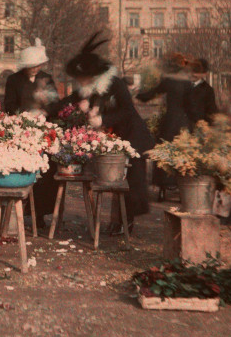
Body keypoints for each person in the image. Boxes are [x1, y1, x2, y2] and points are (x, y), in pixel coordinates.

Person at [50, 32, 155, 235]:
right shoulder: (89, 87)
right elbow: (69, 100)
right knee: (115, 184)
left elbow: (127, 111)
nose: (80, 82)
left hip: (133, 137)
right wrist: (47, 112)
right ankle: (118, 222)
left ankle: (126, 223)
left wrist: (102, 120)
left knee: (130, 185)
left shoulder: (115, 84)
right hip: (115, 139)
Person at [4, 38, 60, 229]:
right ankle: (18, 211)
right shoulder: (13, 80)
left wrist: (45, 112)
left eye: (37, 66)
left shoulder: (47, 79)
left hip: (43, 131)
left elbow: (55, 104)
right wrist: (23, 117)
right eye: (31, 67)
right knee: (23, 169)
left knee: (44, 173)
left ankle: (40, 213)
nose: (35, 69)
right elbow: (9, 105)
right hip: (22, 131)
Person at [135, 52, 194, 202]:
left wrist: (138, 95)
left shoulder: (168, 80)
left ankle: (162, 189)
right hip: (184, 123)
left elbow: (151, 93)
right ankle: (181, 191)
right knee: (182, 154)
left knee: (163, 153)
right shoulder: (188, 82)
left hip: (170, 121)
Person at [186, 58, 219, 131]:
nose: (193, 74)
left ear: (204, 74)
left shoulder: (208, 90)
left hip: (197, 131)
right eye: (192, 70)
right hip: (180, 129)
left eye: (197, 72)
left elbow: (211, 112)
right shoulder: (182, 86)